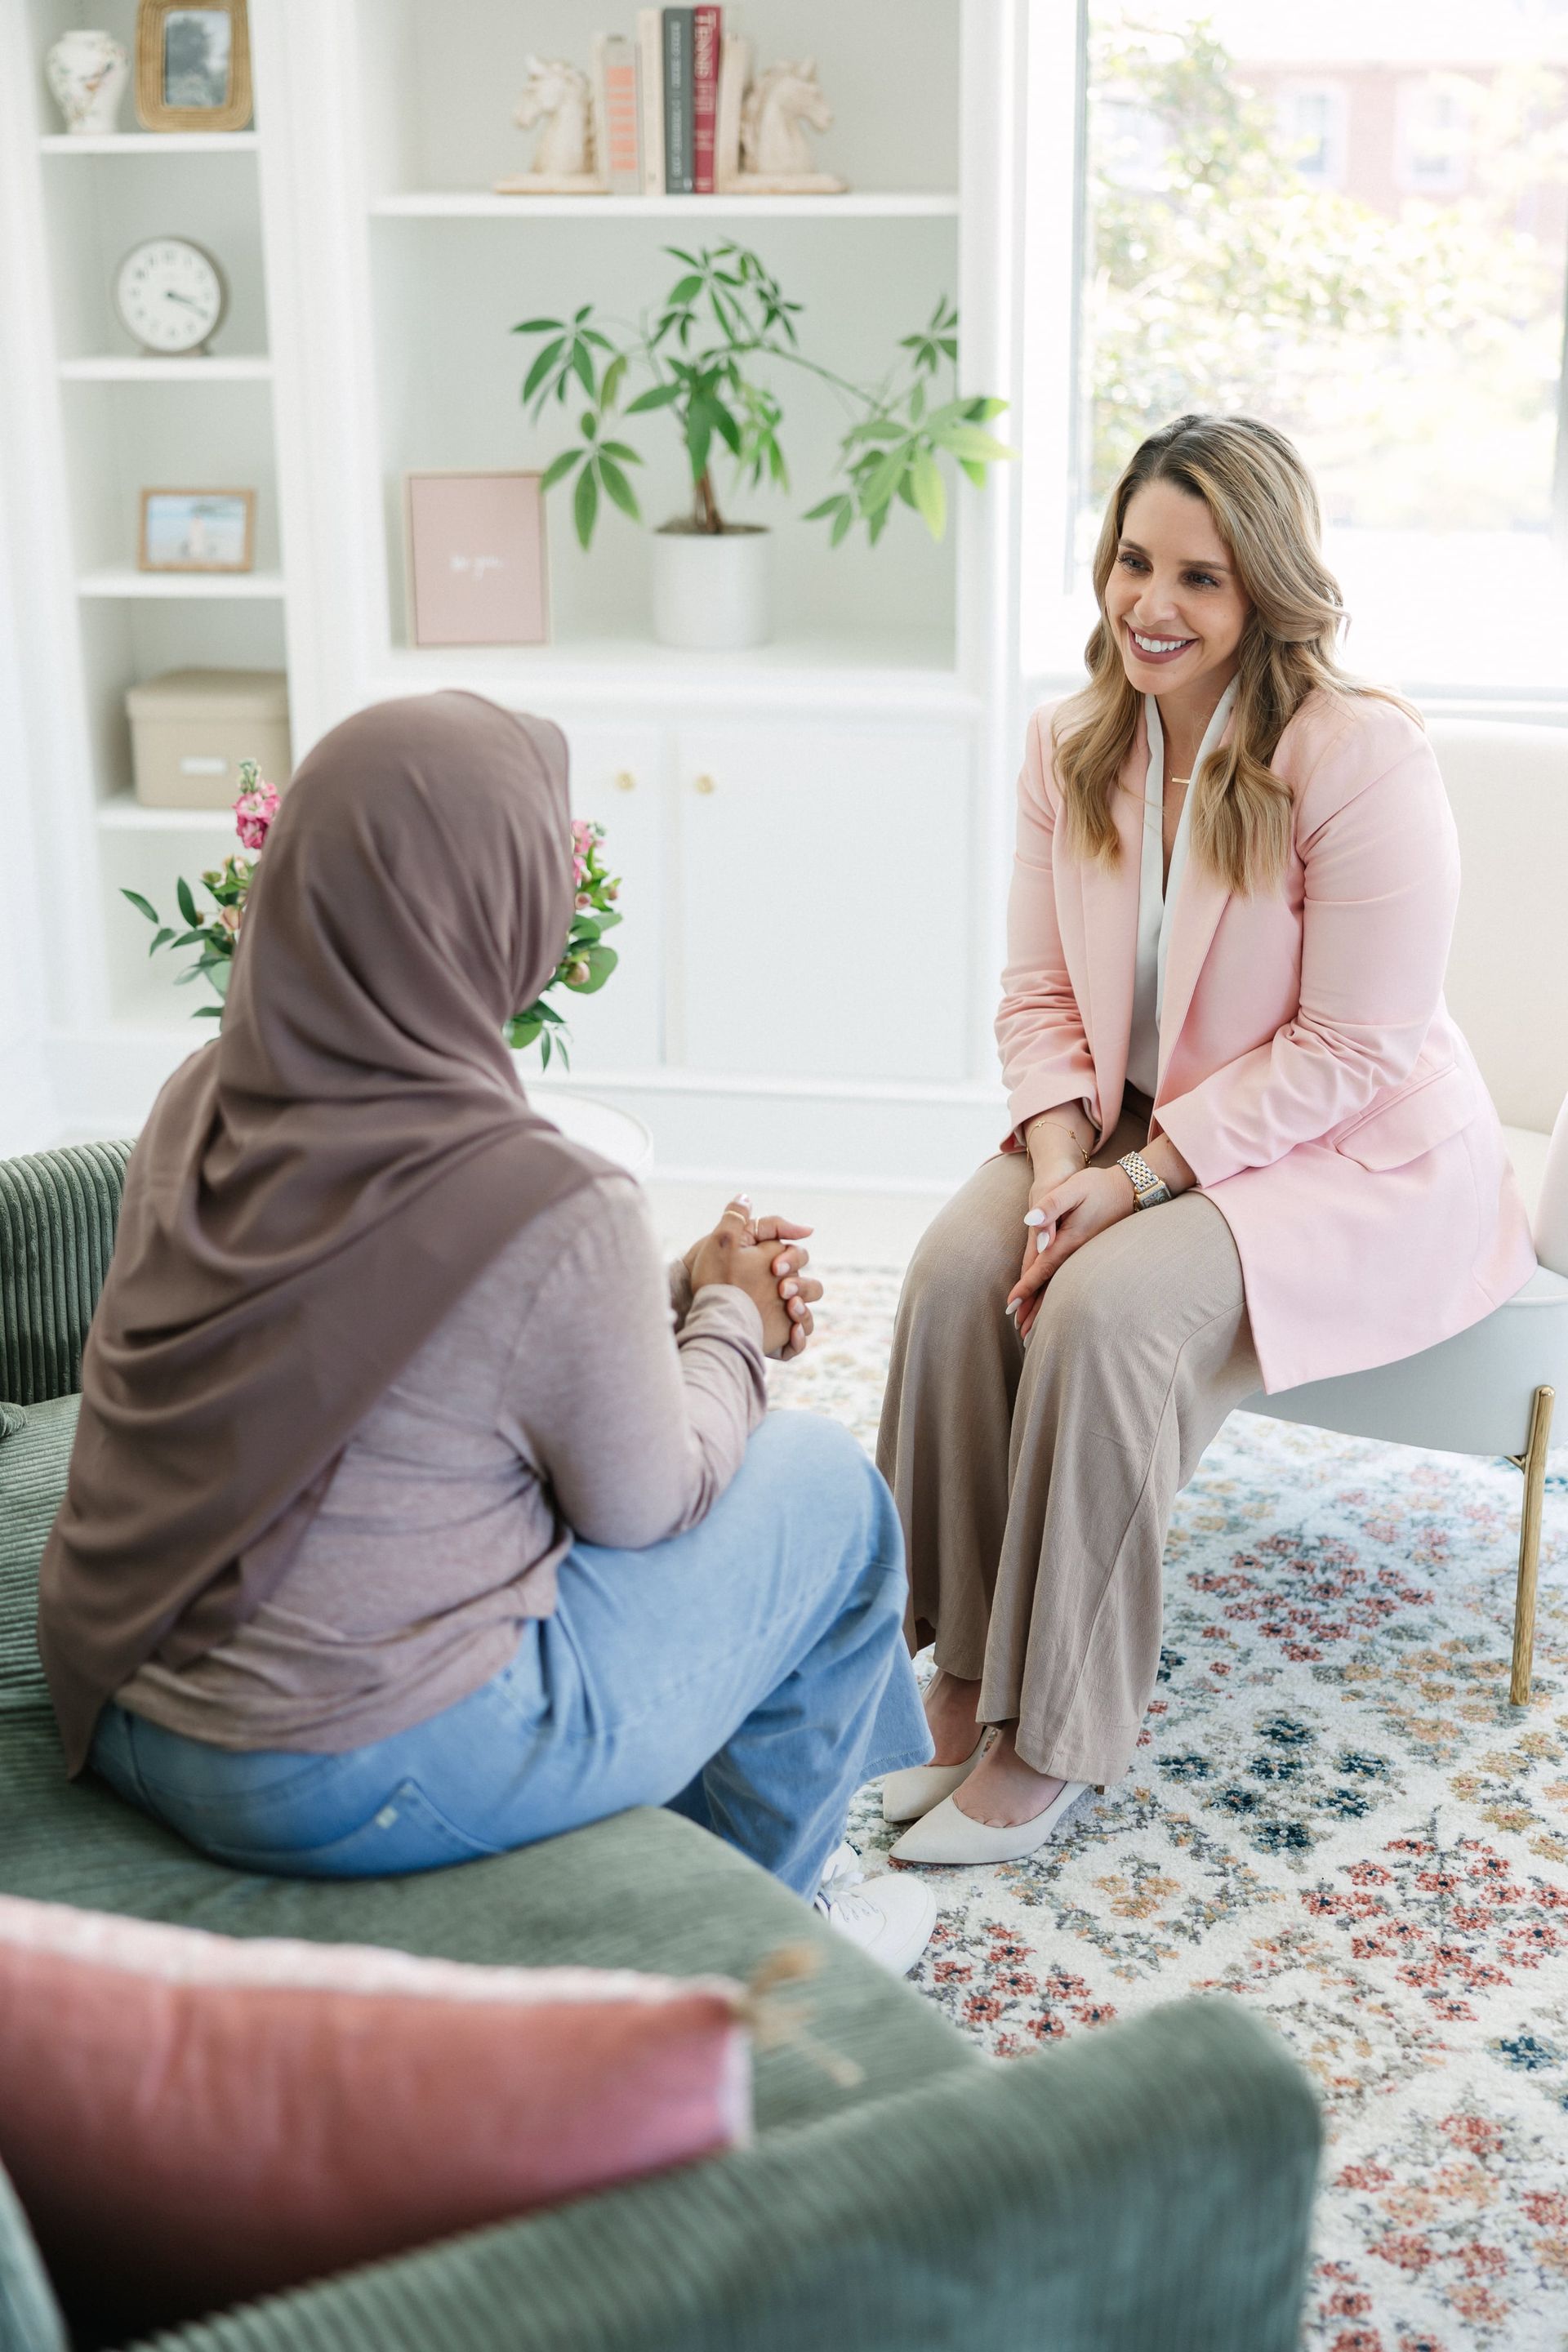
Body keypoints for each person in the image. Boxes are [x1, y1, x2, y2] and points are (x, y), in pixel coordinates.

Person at [38, 691, 937, 1972]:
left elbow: (428, 1349)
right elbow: (652, 1499)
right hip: (333, 1768)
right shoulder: (543, 1201)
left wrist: (672, 1285)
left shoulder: (204, 1092)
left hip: (122, 1692)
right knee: (827, 1491)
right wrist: (733, 1317)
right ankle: (760, 1954)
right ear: (505, 908)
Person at [877, 412, 1537, 1865]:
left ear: (1266, 595)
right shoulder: (1074, 740)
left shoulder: (1358, 756)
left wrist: (1137, 1184)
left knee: (1108, 1315)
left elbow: (1358, 1046)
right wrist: (1060, 1171)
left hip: (1350, 1144)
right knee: (946, 1275)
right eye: (1132, 563)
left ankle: (1055, 1740)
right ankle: (966, 1672)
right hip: (1122, 1111)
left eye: (1200, 579)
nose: (1150, 608)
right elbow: (1039, 989)